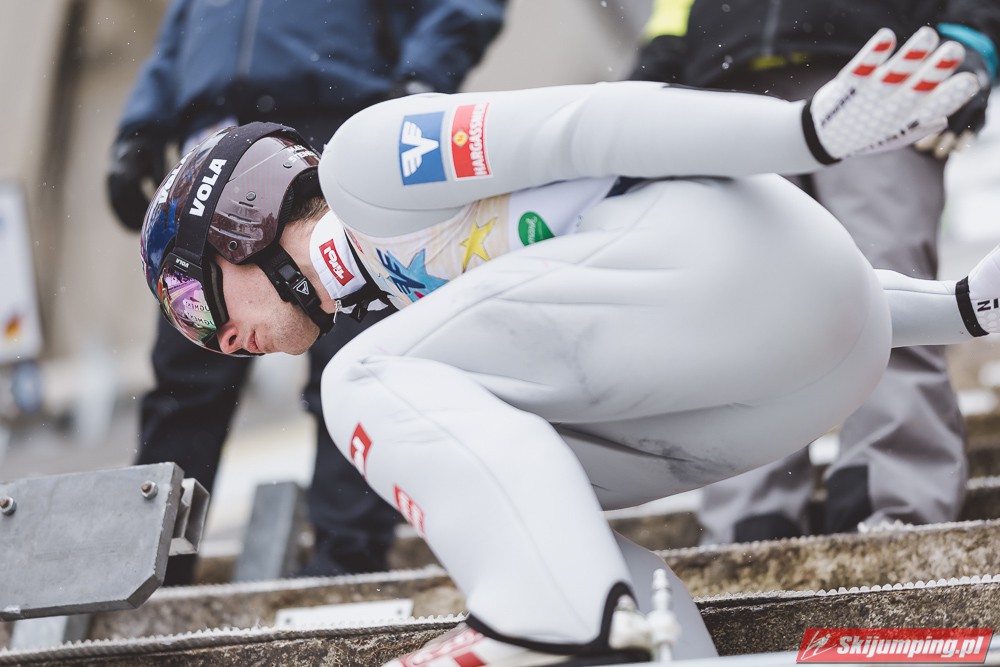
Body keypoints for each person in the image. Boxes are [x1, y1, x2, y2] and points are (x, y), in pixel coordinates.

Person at [137, 29, 987, 666]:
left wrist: (804, 135)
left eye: (196, 302)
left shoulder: (363, 168)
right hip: (815, 352)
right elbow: (754, 297)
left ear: (237, 220)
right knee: (528, 480)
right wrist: (956, 311)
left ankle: (546, 615)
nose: (221, 340)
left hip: (735, 272)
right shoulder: (416, 303)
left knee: (362, 382)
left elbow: (594, 125)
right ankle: (642, 641)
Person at [106, 0, 506, 583]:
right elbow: (177, 36)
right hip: (215, 150)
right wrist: (139, 127)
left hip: (325, 123)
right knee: (186, 376)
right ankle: (152, 575)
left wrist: (421, 77)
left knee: (349, 358)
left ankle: (344, 567)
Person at [631, 0, 1000, 543]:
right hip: (727, 86)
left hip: (883, 71)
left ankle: (890, 503)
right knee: (742, 312)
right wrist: (656, 69)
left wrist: (972, 36)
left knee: (888, 291)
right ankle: (754, 522)